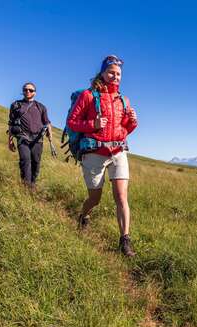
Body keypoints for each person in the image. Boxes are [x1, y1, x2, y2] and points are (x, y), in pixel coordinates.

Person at [68, 55, 138, 257]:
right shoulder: (89, 95)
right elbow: (73, 122)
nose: (115, 77)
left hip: (118, 152)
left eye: (118, 74)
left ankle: (125, 240)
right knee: (95, 198)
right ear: (102, 73)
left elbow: (123, 130)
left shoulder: (123, 100)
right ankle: (83, 215)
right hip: (94, 153)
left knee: (121, 197)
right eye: (111, 73)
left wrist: (132, 122)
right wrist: (93, 125)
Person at [8, 82, 54, 190]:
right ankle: (26, 187)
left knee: (36, 163)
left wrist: (50, 138)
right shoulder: (16, 105)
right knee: (25, 161)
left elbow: (47, 123)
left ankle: (32, 184)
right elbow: (11, 124)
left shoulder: (41, 107)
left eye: (31, 90)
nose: (28, 91)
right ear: (23, 91)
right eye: (25, 90)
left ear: (35, 93)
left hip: (37, 140)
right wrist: (9, 141)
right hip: (22, 138)